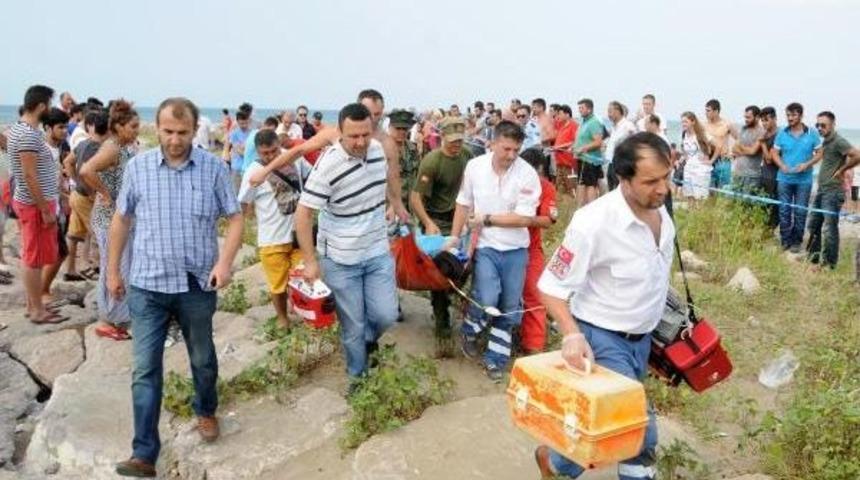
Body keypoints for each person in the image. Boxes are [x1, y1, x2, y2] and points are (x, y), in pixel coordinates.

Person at [109, 97, 243, 478]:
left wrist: (225, 263)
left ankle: (205, 409)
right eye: (167, 131)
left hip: (196, 284)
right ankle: (144, 453)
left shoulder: (214, 169)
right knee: (144, 368)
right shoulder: (138, 168)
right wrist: (113, 272)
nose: (174, 140)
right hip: (147, 285)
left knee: (202, 358)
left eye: (182, 132)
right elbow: (121, 219)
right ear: (158, 127)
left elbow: (235, 219)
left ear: (195, 129)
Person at [534, 132, 673, 480]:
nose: (663, 188)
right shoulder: (592, 222)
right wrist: (571, 335)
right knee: (637, 428)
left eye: (667, 177)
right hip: (602, 340)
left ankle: (555, 463)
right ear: (624, 179)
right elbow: (550, 286)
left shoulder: (661, 211)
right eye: (651, 181)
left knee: (607, 427)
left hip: (641, 341)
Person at [294, 103, 399, 390]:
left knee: (386, 314)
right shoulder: (328, 164)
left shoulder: (378, 152)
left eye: (365, 134)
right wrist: (311, 261)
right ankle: (358, 377)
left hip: (377, 249)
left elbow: (386, 183)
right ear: (339, 132)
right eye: (353, 136)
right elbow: (302, 215)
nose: (360, 142)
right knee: (352, 325)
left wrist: (394, 204)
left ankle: (366, 342)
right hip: (340, 259)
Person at [448, 120, 540, 382]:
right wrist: (454, 238)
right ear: (493, 143)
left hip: (516, 250)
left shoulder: (527, 174)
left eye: (516, 150)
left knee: (509, 307)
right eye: (506, 149)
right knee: (488, 298)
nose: (511, 155)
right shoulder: (475, 167)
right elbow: (463, 203)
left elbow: (524, 219)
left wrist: (486, 219)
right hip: (486, 246)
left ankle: (495, 359)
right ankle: (470, 329)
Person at [247, 89, 409, 223]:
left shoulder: (386, 144)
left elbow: (393, 177)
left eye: (378, 114)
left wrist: (396, 206)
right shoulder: (334, 134)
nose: (373, 119)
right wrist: (266, 170)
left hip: (369, 217)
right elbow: (298, 151)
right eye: (370, 113)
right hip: (336, 212)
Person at [410, 116, 473, 354]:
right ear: (443, 137)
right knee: (439, 274)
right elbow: (416, 198)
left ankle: (450, 299)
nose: (457, 145)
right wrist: (427, 223)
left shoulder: (467, 156)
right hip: (437, 222)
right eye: (453, 140)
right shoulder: (432, 161)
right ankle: (441, 316)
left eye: (460, 140)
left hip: (462, 220)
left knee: (464, 269)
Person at [8, 85, 69, 324]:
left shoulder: (20, 130)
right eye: (50, 104)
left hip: (32, 202)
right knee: (32, 259)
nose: (51, 109)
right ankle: (36, 310)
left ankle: (32, 305)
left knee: (35, 256)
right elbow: (29, 175)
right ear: (42, 106)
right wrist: (45, 209)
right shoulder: (28, 134)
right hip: (34, 205)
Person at [80, 100, 140, 341]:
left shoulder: (122, 147)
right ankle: (108, 320)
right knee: (112, 266)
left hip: (119, 218)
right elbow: (86, 170)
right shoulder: (112, 148)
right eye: (133, 126)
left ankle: (119, 315)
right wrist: (104, 193)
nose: (137, 130)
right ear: (119, 126)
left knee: (122, 265)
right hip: (109, 220)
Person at [238, 129, 311, 329]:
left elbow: (313, 178)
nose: (270, 156)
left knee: (304, 278)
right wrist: (239, 230)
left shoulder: (296, 160)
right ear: (258, 152)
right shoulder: (253, 171)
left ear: (279, 145)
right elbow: (243, 203)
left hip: (299, 235)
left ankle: (303, 313)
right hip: (271, 239)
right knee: (277, 285)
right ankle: (282, 318)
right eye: (265, 153)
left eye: (273, 151)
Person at [806, 111, 860, 270]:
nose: (820, 128)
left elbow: (857, 155)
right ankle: (813, 259)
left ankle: (829, 264)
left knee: (829, 229)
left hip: (833, 192)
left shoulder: (838, 141)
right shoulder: (827, 142)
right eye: (817, 125)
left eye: (823, 125)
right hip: (822, 190)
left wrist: (843, 169)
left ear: (832, 125)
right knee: (814, 224)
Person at [518, 148, 557, 354]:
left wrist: (522, 220)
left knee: (535, 295)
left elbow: (548, 220)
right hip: (498, 245)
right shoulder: (506, 182)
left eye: (537, 173)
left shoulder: (546, 188)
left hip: (531, 248)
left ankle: (533, 347)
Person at [64, 108, 109, 281]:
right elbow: (86, 172)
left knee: (74, 235)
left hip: (77, 194)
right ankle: (102, 270)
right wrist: (94, 191)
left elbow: (68, 162)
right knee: (100, 235)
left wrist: (75, 180)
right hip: (86, 197)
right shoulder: (99, 148)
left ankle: (70, 270)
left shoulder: (84, 144)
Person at [771, 102, 822, 253]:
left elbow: (820, 153)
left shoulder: (812, 133)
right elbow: (774, 152)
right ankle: (785, 241)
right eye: (788, 115)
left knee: (800, 212)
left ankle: (796, 241)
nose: (790, 118)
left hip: (804, 181)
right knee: (784, 210)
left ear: (801, 115)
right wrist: (781, 165)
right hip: (784, 179)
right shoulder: (782, 133)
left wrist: (807, 164)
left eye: (793, 115)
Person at [41, 108, 75, 304]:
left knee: (59, 252)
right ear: (48, 128)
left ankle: (43, 290)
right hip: (45, 209)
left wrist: (64, 196)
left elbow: (54, 181)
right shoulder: (43, 150)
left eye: (65, 127)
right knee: (58, 252)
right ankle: (41, 291)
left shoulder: (58, 149)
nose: (65, 131)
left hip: (57, 206)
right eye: (60, 127)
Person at [573, 99, 604, 206]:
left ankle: (591, 209)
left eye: (582, 108)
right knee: (583, 185)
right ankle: (584, 209)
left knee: (590, 186)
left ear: (589, 109)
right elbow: (581, 139)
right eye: (579, 108)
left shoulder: (594, 122)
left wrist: (583, 148)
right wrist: (574, 147)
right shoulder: (583, 122)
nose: (580, 110)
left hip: (590, 160)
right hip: (582, 158)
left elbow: (598, 142)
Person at [387, 110, 420, 211]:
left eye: (405, 129)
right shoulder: (381, 150)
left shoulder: (412, 149)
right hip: (389, 207)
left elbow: (417, 175)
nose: (402, 132)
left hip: (410, 206)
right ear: (390, 128)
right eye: (398, 128)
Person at [703, 99, 737, 189]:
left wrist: (734, 153)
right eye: (705, 110)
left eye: (708, 111)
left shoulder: (726, 124)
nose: (706, 113)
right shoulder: (704, 125)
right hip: (708, 160)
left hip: (723, 161)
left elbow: (739, 139)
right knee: (709, 190)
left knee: (723, 190)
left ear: (716, 111)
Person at [679, 112, 713, 200]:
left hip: (701, 170)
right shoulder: (684, 135)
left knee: (700, 198)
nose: (683, 124)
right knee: (689, 196)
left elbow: (718, 147)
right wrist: (684, 157)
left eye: (685, 122)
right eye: (682, 122)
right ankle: (690, 214)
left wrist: (711, 160)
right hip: (688, 169)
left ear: (693, 122)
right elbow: (684, 149)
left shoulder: (701, 134)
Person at [604, 101, 637, 191]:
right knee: (611, 190)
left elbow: (634, 141)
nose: (608, 115)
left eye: (610, 111)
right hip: (611, 162)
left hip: (621, 163)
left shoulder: (627, 126)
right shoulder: (614, 127)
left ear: (618, 111)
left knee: (620, 191)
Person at [731, 106, 765, 193]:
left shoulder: (761, 132)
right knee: (735, 202)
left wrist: (741, 148)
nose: (746, 119)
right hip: (738, 172)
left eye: (748, 117)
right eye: (745, 117)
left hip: (751, 175)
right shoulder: (743, 129)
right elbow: (734, 149)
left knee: (747, 203)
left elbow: (753, 151)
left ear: (757, 117)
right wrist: (745, 150)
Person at [759, 107, 780, 228]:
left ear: (774, 119)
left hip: (774, 176)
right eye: (762, 120)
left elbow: (769, 159)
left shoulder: (778, 135)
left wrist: (762, 143)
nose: (764, 123)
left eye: (766, 120)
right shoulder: (766, 134)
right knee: (763, 204)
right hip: (764, 174)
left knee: (773, 206)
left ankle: (770, 230)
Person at [553, 105, 578, 196]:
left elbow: (576, 142)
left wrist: (560, 146)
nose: (558, 116)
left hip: (569, 162)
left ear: (567, 115)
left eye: (560, 113)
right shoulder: (561, 125)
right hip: (559, 161)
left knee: (571, 188)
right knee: (559, 188)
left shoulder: (574, 125)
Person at [224, 109, 251, 191]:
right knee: (236, 191)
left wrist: (244, 149)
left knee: (247, 192)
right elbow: (237, 150)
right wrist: (246, 151)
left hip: (248, 167)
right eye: (241, 123)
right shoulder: (234, 133)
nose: (244, 125)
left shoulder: (252, 133)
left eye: (245, 123)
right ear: (238, 122)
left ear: (248, 121)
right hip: (237, 167)